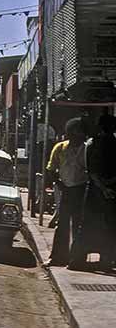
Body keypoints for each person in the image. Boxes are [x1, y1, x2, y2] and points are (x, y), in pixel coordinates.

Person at [75, 114, 116, 270]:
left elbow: (90, 170)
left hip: (94, 190)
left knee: (87, 225)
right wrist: (108, 186)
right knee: (110, 227)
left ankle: (79, 259)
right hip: (111, 190)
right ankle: (106, 259)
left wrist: (102, 187)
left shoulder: (91, 143)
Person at [44, 118, 87, 267]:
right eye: (74, 132)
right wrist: (59, 183)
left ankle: (76, 258)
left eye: (80, 132)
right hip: (66, 189)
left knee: (78, 225)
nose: (77, 135)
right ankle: (57, 257)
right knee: (62, 224)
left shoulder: (86, 148)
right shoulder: (60, 148)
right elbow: (51, 168)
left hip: (81, 189)